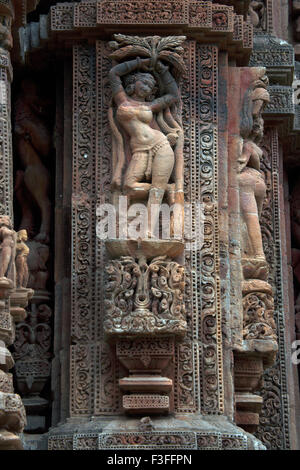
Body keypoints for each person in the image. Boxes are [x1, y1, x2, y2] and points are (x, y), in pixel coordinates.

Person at [108, 57, 180, 236]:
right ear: (133, 83)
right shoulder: (122, 100)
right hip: (139, 150)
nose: (147, 87)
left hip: (160, 145)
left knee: (156, 190)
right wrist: (141, 61)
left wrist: (162, 69)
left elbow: (173, 95)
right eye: (144, 82)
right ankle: (165, 189)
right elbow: (114, 73)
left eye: (150, 85)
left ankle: (148, 228)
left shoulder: (150, 105)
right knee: (129, 187)